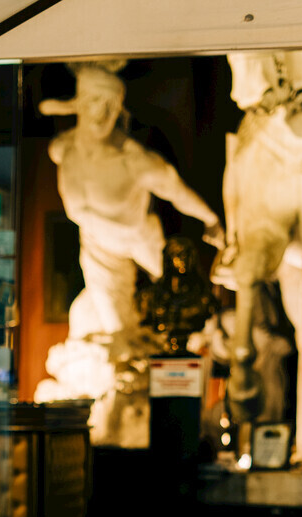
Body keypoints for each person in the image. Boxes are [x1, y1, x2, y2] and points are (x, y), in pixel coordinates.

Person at [39, 63, 225, 341]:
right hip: (96, 246)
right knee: (117, 332)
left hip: (139, 237)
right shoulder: (62, 150)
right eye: (94, 103)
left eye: (111, 105)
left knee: (187, 309)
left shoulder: (134, 160)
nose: (103, 114)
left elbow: (176, 191)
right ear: (78, 105)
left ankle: (208, 339)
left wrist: (210, 219)